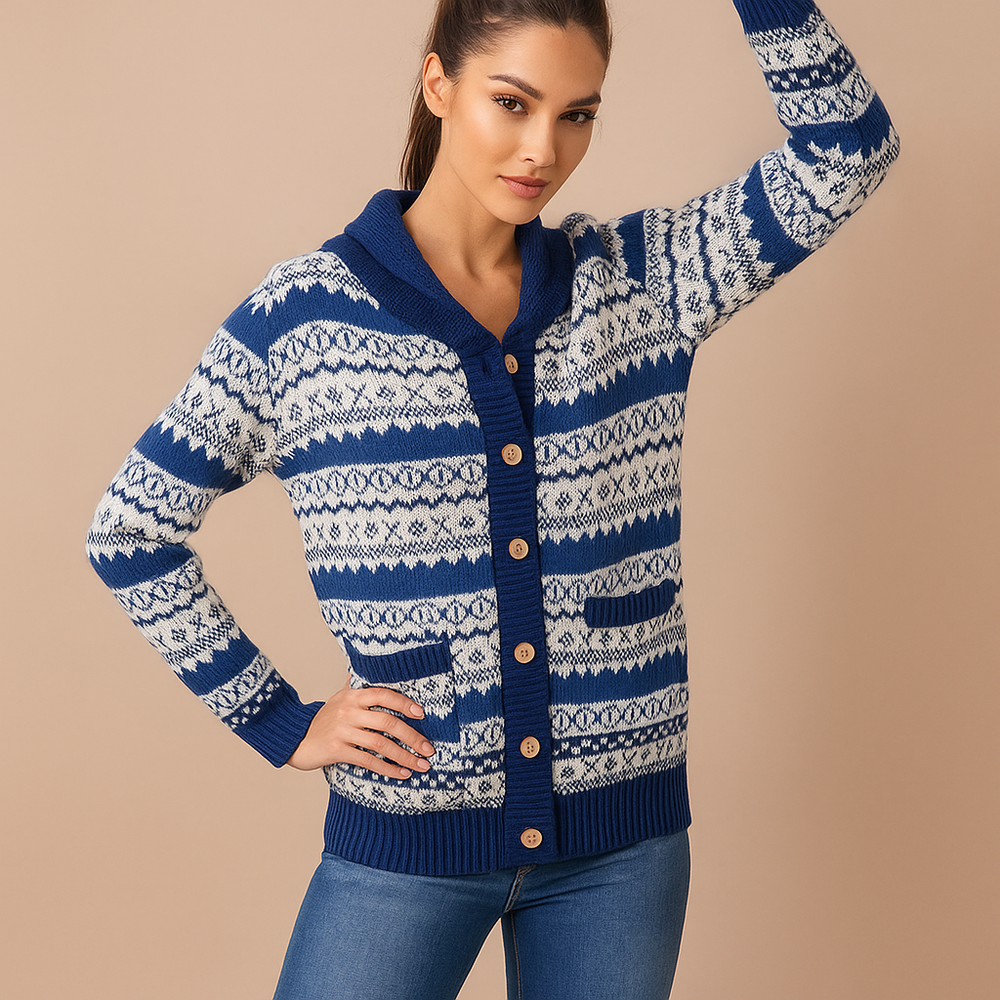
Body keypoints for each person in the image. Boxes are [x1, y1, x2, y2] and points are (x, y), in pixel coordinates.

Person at [86, 0, 899, 997]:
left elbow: (847, 151)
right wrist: (279, 719)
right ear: (439, 85)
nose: (542, 148)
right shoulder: (302, 323)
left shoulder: (639, 283)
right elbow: (132, 531)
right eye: (512, 103)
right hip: (409, 840)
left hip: (621, 852)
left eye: (576, 114)